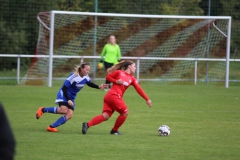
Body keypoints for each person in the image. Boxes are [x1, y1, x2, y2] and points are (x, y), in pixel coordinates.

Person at [82, 60, 152, 135]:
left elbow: (138, 89)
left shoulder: (132, 78)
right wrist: (116, 81)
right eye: (134, 66)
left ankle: (87, 124)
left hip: (110, 97)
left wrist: (147, 98)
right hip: (114, 96)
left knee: (105, 116)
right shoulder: (119, 72)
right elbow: (108, 77)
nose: (135, 68)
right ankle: (114, 130)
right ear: (129, 67)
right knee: (125, 113)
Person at [36, 62, 108, 132]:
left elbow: (89, 83)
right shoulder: (74, 76)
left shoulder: (86, 76)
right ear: (82, 69)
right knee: (63, 110)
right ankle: (42, 110)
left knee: (69, 115)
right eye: (86, 69)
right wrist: (68, 100)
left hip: (71, 97)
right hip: (64, 94)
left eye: (89, 70)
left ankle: (51, 127)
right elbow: (64, 88)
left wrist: (99, 86)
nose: (88, 71)